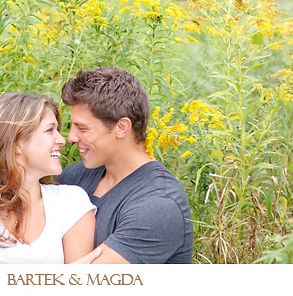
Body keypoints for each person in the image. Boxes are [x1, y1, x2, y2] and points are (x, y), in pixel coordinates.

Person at [0, 92, 100, 264]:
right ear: (16, 143)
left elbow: (78, 286)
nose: (62, 140)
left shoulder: (71, 201)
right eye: (50, 130)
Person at [56, 67, 194, 264]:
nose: (71, 137)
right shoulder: (74, 178)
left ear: (121, 127)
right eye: (72, 126)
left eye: (83, 128)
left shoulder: (158, 205)